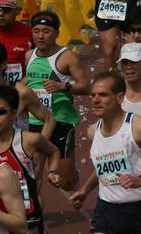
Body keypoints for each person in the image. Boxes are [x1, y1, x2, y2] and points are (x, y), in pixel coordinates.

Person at [68, 71, 141, 234]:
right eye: (93, 95)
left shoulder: (139, 127)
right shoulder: (93, 131)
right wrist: (84, 190)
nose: (95, 100)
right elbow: (104, 165)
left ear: (119, 98)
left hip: (139, 209)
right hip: (106, 209)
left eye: (103, 95)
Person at [22, 12, 85, 191]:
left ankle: (73, 178)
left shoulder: (68, 57)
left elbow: (87, 86)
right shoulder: (29, 55)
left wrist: (63, 86)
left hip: (61, 121)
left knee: (66, 183)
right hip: (35, 122)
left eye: (46, 31)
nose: (40, 36)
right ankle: (33, 206)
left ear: (57, 33)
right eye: (36, 31)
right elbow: (29, 79)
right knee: (33, 175)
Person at [0, 82, 60, 233]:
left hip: (28, 215)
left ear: (14, 113)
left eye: (1, 112)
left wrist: (52, 172)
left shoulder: (29, 140)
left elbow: (54, 151)